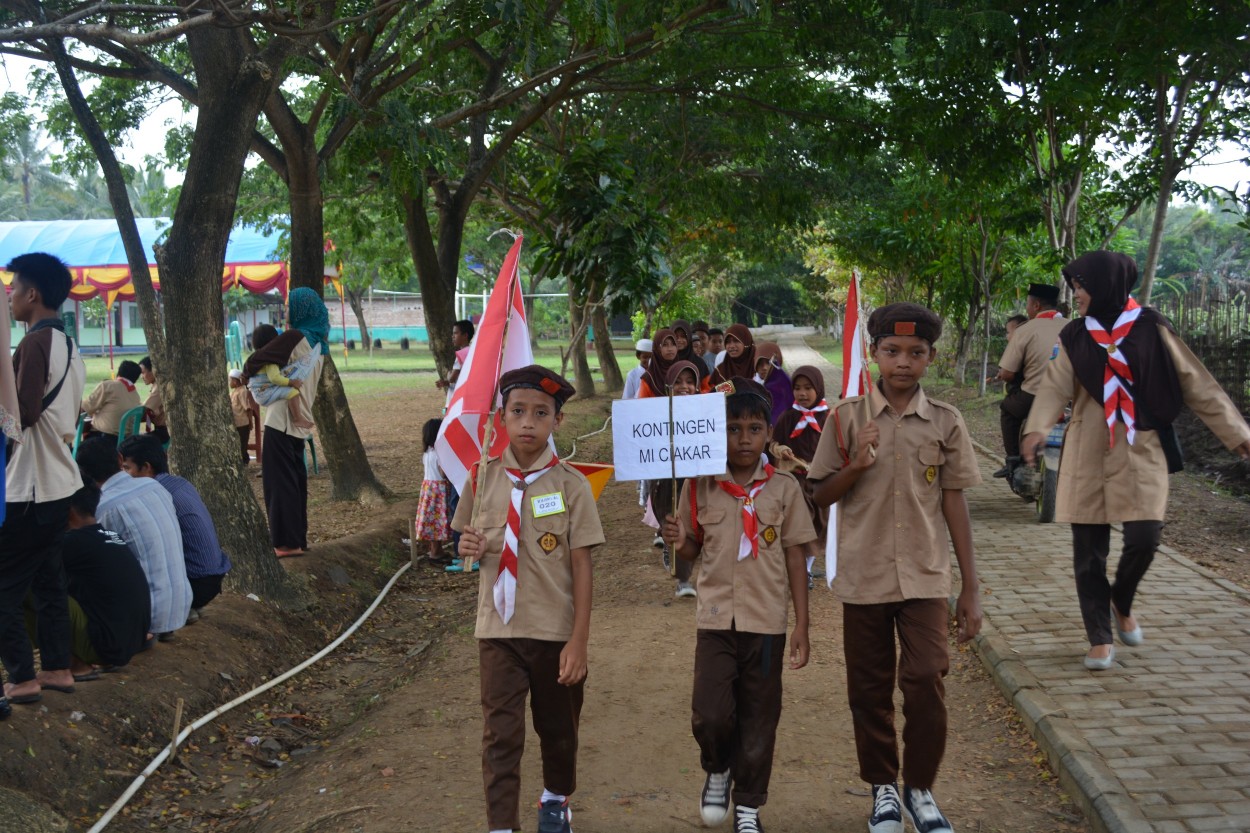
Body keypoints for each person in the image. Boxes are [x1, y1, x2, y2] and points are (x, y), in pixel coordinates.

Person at [1022, 251, 1250, 670]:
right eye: (1074, 285)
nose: (1077, 293)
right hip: (1088, 447)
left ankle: (1120, 600)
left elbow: (1198, 385)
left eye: (1082, 284)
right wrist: (1036, 429)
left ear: (1108, 284)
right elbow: (1054, 388)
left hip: (1141, 446)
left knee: (1145, 538)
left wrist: (1239, 436)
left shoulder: (1150, 328)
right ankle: (1099, 637)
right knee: (1088, 551)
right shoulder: (1073, 335)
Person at [808, 302, 983, 833]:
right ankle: (884, 788)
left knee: (927, 676)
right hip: (864, 575)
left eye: (915, 353)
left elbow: (954, 503)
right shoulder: (845, 419)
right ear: (875, 354)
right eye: (892, 351)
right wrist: (857, 464)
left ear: (930, 357)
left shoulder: (946, 422)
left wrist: (970, 588)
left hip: (926, 575)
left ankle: (920, 788)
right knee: (868, 687)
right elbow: (820, 494)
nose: (903, 362)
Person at [453, 365, 604, 833]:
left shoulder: (572, 486)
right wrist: (468, 549)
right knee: (500, 734)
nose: (527, 423)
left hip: (553, 631)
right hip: (497, 631)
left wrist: (578, 642)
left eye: (541, 413)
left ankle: (555, 799)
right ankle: (502, 824)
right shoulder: (482, 479)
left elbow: (582, 567)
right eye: (517, 411)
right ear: (501, 416)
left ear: (557, 422)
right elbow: (465, 546)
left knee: (559, 731)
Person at [661, 376, 814, 833]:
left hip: (766, 621)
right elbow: (693, 551)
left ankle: (748, 804)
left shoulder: (785, 488)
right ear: (717, 432)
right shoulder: (701, 485)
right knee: (710, 713)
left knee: (760, 715)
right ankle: (717, 767)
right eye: (732, 428)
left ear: (769, 433)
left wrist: (802, 625)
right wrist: (680, 540)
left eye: (752, 429)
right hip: (714, 618)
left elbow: (795, 557)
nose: (743, 438)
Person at [1, 252, 86, 706]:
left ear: (32, 295)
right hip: (60, 484)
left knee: (5, 588)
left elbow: (23, 417)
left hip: (29, 487)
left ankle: (21, 675)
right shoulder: (71, 346)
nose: (9, 297)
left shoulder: (33, 344)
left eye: (13, 289)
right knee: (50, 583)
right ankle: (56, 668)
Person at [77, 435, 191, 641]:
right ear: (120, 459)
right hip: (180, 605)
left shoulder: (103, 508)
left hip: (146, 617)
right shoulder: (155, 486)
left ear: (83, 473)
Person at [245, 288, 329, 557]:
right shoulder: (320, 346)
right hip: (300, 422)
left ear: (301, 309)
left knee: (279, 483)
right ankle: (297, 540)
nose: (288, 311)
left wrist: (248, 375)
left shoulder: (294, 337)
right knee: (295, 482)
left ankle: (285, 544)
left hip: (280, 420)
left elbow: (255, 360)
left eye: (291, 306)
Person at [118, 435, 233, 622]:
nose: (123, 475)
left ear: (146, 467)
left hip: (194, 582)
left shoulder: (155, 495)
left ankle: (175, 608)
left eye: (126, 468)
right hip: (212, 578)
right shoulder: (179, 483)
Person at [54, 481, 151, 679]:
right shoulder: (108, 535)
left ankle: (71, 666)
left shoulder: (74, 542)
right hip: (130, 643)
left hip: (106, 647)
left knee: (28, 587)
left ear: (68, 510)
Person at [991, 284, 1066, 479]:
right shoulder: (1074, 326)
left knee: (1008, 410)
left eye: (1027, 304)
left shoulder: (1025, 330)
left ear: (1036, 305)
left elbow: (1007, 373)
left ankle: (1014, 460)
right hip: (1070, 398)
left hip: (1034, 396)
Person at [769, 366, 830, 584]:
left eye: (807, 388)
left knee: (819, 523)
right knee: (799, 523)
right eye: (797, 388)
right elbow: (773, 443)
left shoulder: (829, 418)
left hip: (821, 481)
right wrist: (780, 449)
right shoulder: (788, 417)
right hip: (795, 482)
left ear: (819, 389)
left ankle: (808, 566)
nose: (802, 393)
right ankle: (801, 570)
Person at [649, 361, 703, 599]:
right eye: (678, 382)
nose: (685, 387)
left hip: (697, 480)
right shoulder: (656, 414)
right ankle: (683, 579)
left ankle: (688, 573)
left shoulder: (706, 412)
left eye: (690, 382)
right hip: (666, 482)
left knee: (693, 527)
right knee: (673, 521)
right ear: (668, 386)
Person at [243, 324, 315, 431]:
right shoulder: (270, 358)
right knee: (292, 392)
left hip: (259, 393)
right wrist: (292, 382)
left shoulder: (257, 357)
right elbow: (274, 378)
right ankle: (297, 418)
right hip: (264, 393)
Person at [416, 418, 452, 565]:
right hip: (439, 490)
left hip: (428, 489)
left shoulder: (427, 453)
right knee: (438, 521)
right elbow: (444, 473)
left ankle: (435, 550)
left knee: (431, 522)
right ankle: (436, 552)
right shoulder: (440, 453)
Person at [81, 359, 142, 443]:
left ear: (119, 372)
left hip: (102, 439)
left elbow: (86, 407)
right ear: (135, 379)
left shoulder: (108, 385)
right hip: (125, 441)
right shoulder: (136, 395)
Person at [753, 341, 794, 424]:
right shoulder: (751, 385)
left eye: (768, 363)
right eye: (760, 364)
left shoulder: (787, 387)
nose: (764, 368)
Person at [435, 319, 475, 403]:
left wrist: (448, 374)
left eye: (455, 333)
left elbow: (452, 378)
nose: (452, 336)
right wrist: (445, 382)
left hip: (456, 399)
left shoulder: (462, 354)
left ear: (465, 335)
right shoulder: (472, 352)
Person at [637, 329, 679, 398]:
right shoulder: (648, 378)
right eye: (665, 345)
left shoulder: (682, 371)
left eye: (673, 344)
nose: (670, 349)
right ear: (657, 348)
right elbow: (642, 405)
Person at [138, 356, 169, 444]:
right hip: (161, 430)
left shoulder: (159, 388)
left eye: (143, 372)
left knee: (133, 444)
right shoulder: (156, 385)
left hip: (164, 432)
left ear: (153, 371)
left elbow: (145, 410)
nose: (142, 377)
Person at [229, 369, 256, 464]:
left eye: (230, 380)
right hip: (237, 423)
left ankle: (245, 461)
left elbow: (248, 408)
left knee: (242, 444)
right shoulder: (235, 391)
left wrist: (250, 423)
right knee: (238, 443)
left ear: (235, 382)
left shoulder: (242, 392)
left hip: (242, 423)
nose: (229, 383)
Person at [671, 319, 711, 384]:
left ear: (689, 337)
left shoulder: (699, 362)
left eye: (683, 336)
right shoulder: (665, 360)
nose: (680, 340)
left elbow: (707, 387)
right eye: (676, 336)